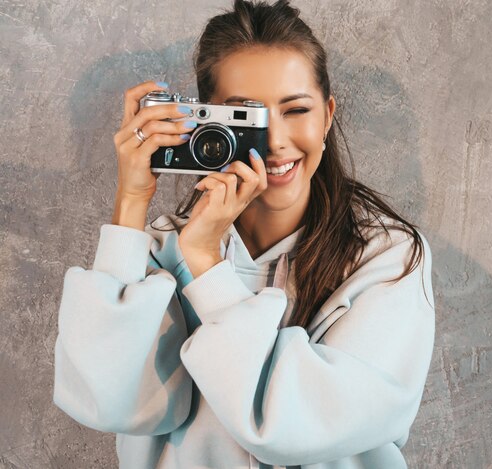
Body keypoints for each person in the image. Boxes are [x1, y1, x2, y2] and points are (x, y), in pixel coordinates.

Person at [53, 0, 435, 468]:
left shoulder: (389, 256)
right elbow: (108, 400)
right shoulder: (157, 251)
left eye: (295, 109)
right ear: (205, 122)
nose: (274, 141)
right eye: (246, 118)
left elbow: (293, 425)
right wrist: (130, 205)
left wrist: (207, 268)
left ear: (328, 115)